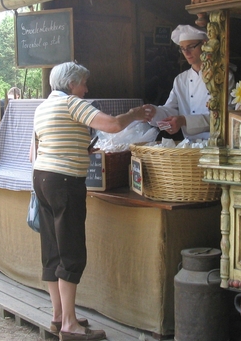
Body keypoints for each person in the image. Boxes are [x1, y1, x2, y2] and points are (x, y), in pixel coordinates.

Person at [32, 62, 153, 341]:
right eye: (83, 83)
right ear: (71, 84)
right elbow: (111, 125)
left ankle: (58, 315)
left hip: (42, 177)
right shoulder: (72, 103)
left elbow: (38, 148)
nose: (86, 89)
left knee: (53, 248)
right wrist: (135, 114)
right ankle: (70, 325)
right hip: (64, 182)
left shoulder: (43, 107)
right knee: (71, 249)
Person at [147, 24, 234, 141]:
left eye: (191, 46)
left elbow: (225, 116)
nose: (186, 52)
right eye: (182, 48)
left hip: (217, 144)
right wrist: (153, 112)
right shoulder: (180, 80)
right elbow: (171, 109)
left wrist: (183, 121)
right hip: (190, 145)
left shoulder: (222, 76)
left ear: (204, 44)